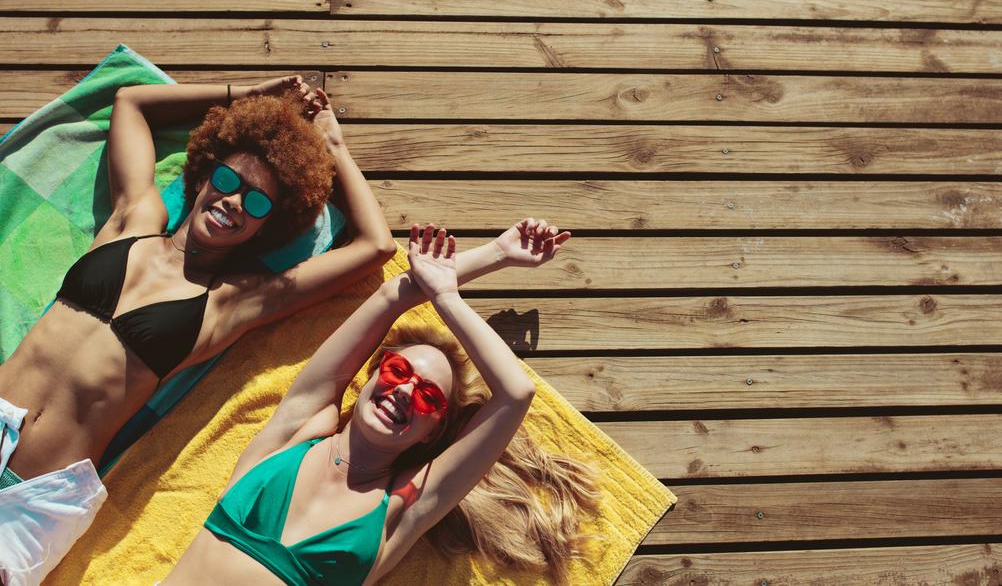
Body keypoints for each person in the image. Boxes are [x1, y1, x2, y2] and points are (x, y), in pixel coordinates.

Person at [0, 76, 400, 585]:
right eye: (230, 181)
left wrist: (333, 144)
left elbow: (375, 246)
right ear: (207, 173)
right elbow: (132, 102)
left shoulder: (233, 301)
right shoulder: (134, 219)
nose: (235, 202)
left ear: (267, 226)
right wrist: (259, 94)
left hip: (43, 495)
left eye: (257, 204)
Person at [164, 221, 597, 586]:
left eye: (428, 396)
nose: (406, 391)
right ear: (371, 376)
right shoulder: (300, 429)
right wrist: (496, 253)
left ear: (436, 430)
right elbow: (394, 296)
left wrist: (447, 298)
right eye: (396, 372)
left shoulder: (405, 503)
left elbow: (515, 394)